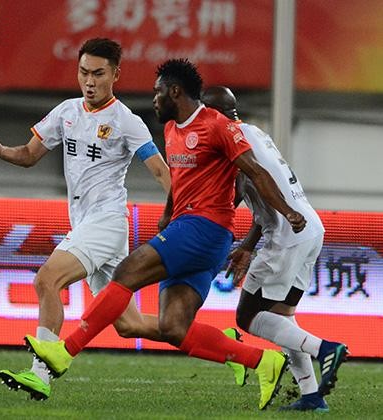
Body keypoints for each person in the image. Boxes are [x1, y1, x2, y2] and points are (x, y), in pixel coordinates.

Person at [25, 58, 308, 411]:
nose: (153, 99)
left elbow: (256, 173)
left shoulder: (217, 125)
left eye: (157, 92)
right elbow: (178, 182)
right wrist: (166, 214)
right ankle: (263, 361)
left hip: (205, 228)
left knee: (126, 273)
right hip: (186, 228)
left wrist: (288, 211)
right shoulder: (173, 129)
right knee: (173, 326)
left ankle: (64, 352)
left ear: (174, 92)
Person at [0, 38, 171, 401]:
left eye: (98, 74)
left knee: (47, 279)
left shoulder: (127, 121)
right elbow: (29, 154)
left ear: (115, 75)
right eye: (84, 72)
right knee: (130, 324)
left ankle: (40, 375)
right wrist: (2, 152)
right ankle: (224, 344)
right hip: (86, 225)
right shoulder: (67, 112)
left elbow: (160, 171)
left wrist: (184, 211)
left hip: (106, 221)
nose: (89, 81)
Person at [202, 86, 348, 412]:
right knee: (283, 317)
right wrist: (247, 246)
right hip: (310, 229)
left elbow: (240, 190)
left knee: (247, 316)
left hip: (286, 235)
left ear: (212, 115)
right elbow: (261, 192)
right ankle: (312, 396)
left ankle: (325, 349)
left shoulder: (228, 140)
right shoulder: (255, 133)